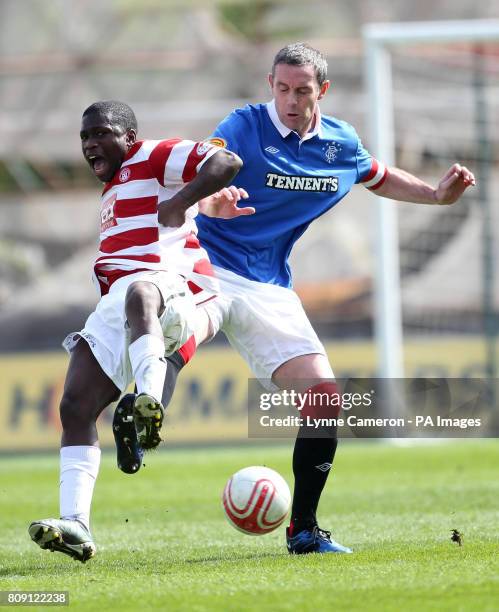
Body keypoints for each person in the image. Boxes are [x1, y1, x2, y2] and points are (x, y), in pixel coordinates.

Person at [115, 43, 476, 555]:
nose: (289, 99)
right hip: (207, 262)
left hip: (269, 286)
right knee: (186, 333)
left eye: (301, 90)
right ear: (270, 85)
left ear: (321, 91)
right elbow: (206, 166)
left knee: (324, 401)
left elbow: (377, 175)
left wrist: (436, 195)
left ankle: (303, 531)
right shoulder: (244, 125)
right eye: (281, 88)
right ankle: (142, 413)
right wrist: (213, 201)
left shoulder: (340, 142)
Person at [28, 100, 252, 562]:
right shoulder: (113, 189)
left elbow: (226, 161)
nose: (91, 143)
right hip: (118, 302)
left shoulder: (150, 155)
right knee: (74, 405)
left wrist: (180, 203)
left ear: (129, 136)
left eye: (101, 133)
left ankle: (148, 402)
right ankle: (76, 524)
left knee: (140, 293)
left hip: (170, 289)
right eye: (84, 137)